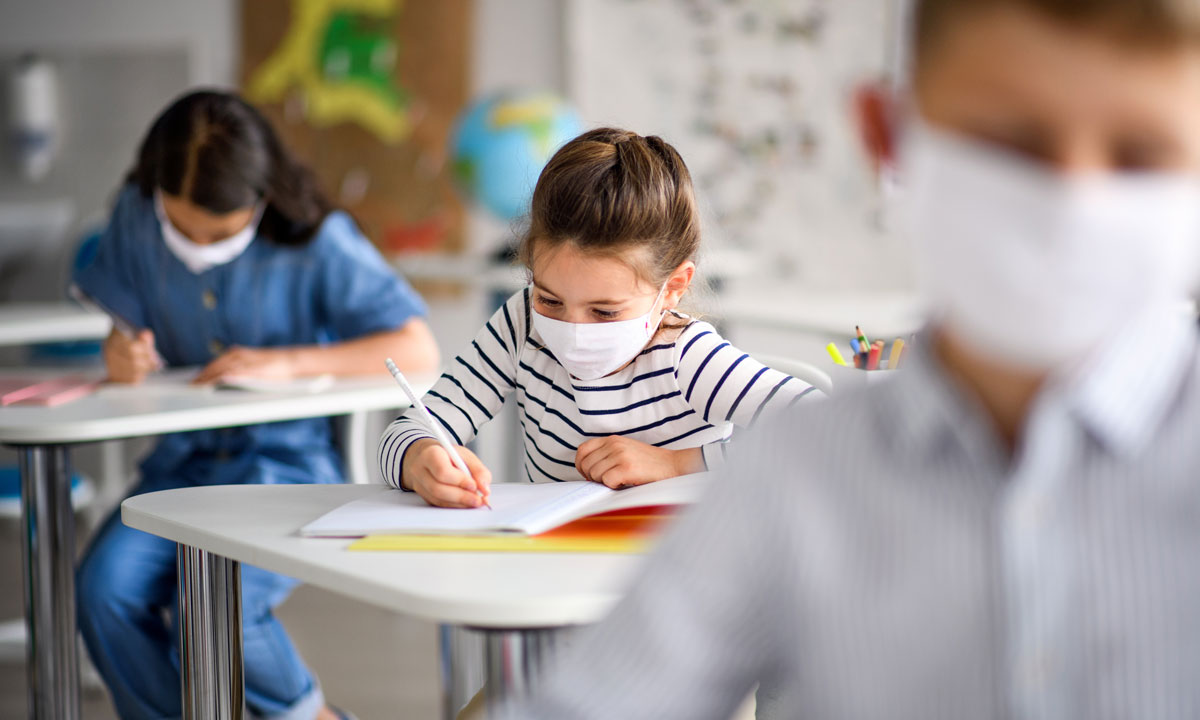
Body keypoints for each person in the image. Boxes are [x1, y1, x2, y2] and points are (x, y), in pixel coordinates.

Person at [502, 0, 1200, 717]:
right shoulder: (794, 476)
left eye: (1142, 154)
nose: (1072, 202)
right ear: (887, 136)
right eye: (1010, 143)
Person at [74, 90, 438, 720]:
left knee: (217, 602)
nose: (195, 244)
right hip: (181, 471)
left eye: (218, 233)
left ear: (261, 198)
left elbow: (416, 346)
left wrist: (291, 361)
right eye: (179, 226)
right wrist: (120, 355)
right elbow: (122, 328)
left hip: (286, 465)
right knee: (103, 591)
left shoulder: (317, 239)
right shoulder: (134, 218)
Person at [378, 127, 819, 507]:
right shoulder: (520, 325)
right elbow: (410, 428)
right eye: (550, 300)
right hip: (555, 572)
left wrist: (677, 463)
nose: (571, 331)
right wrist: (420, 458)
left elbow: (826, 431)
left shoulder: (686, 357)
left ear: (674, 287)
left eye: (605, 312)